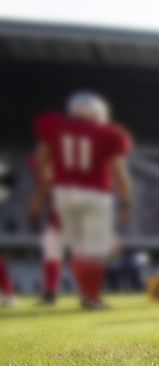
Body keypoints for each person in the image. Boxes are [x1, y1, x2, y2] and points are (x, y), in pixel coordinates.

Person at [33, 91, 134, 310]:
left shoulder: (55, 127)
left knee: (78, 250)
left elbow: (41, 162)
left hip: (64, 193)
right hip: (96, 193)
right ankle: (91, 297)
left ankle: (84, 294)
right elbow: (120, 173)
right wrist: (126, 202)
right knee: (94, 250)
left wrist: (41, 195)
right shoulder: (108, 133)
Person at [28, 155, 63, 305]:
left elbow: (44, 192)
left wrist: (34, 212)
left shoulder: (58, 174)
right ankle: (50, 292)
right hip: (57, 219)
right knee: (51, 252)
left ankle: (91, 294)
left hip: (72, 217)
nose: (36, 172)